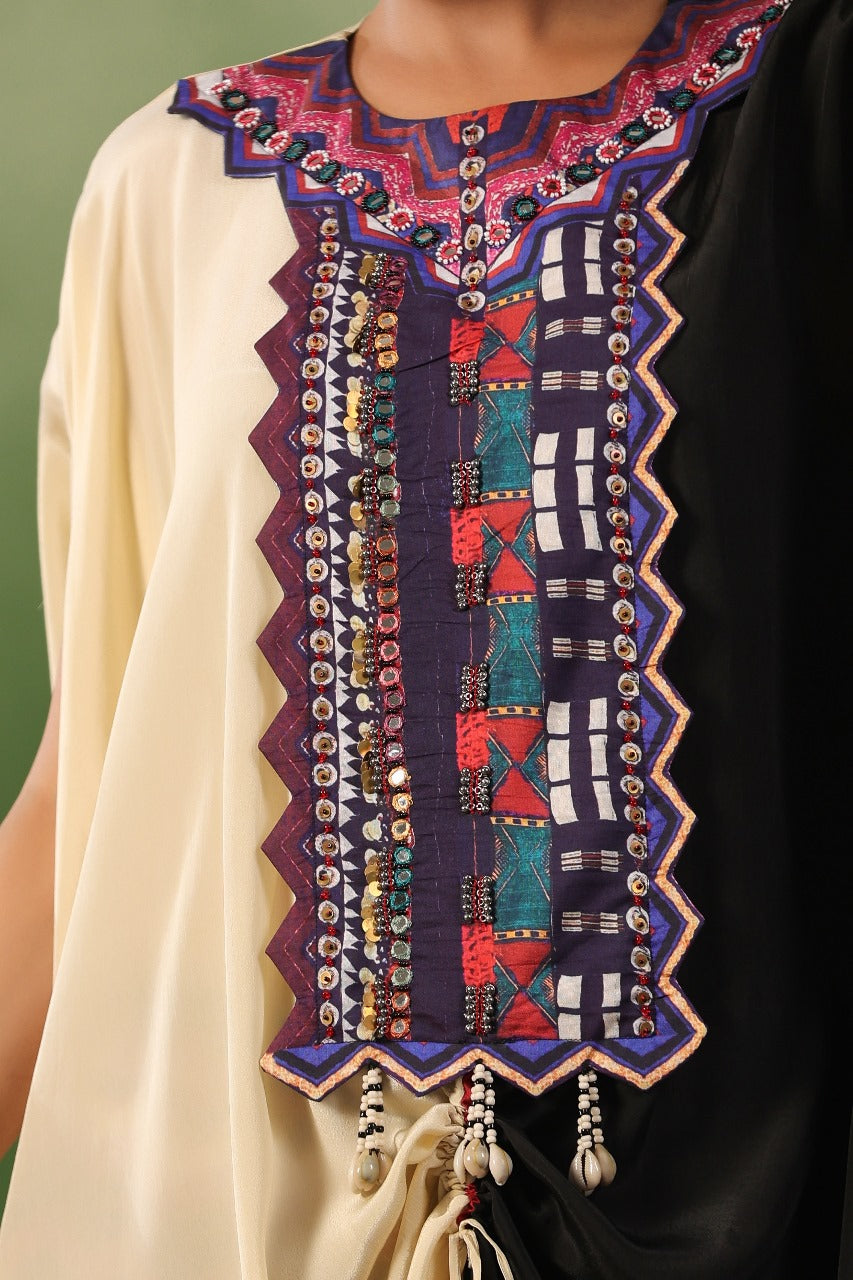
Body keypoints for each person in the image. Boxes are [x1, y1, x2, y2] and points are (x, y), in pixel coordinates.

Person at [1, 0, 850, 1275]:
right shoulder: (168, 179)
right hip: (236, 1220)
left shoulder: (803, 103)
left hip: (754, 1195)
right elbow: (86, 799)